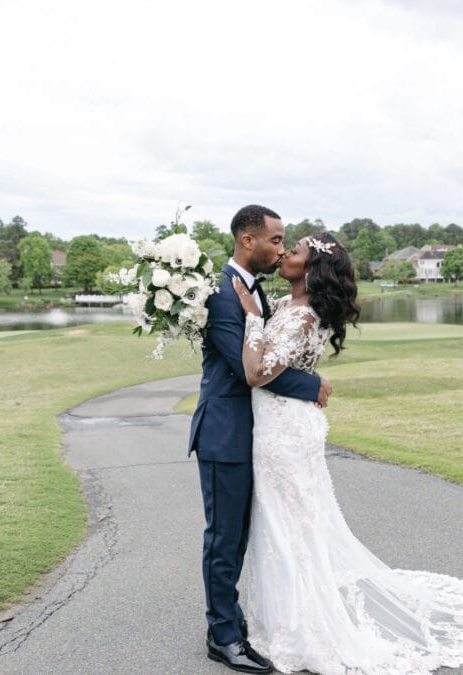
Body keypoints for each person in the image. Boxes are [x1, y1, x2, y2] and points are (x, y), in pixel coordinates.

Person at [232, 233, 463, 674]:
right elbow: (289, 365)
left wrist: (250, 317)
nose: (285, 253)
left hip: (286, 432)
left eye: (296, 251)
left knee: (293, 529)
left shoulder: (305, 314)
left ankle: (307, 631)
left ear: (313, 269)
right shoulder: (286, 306)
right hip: (275, 426)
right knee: (281, 525)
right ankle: (284, 622)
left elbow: (257, 372)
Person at [188, 205, 332, 673]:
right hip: (224, 433)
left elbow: (272, 357)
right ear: (248, 241)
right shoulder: (224, 297)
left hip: (255, 434)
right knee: (225, 538)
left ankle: (231, 621)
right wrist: (314, 385)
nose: (280, 249)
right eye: (275, 240)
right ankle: (223, 637)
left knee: (246, 536)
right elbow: (251, 372)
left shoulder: (256, 294)